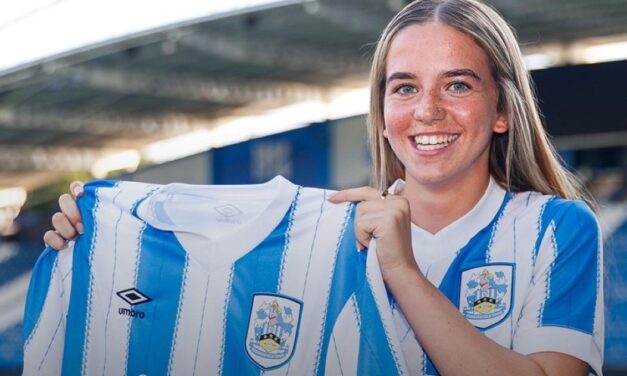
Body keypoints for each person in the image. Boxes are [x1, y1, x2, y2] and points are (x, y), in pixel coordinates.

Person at [43, 0, 603, 375]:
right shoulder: (324, 235)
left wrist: (403, 273)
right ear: (382, 115)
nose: (428, 111)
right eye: (404, 88)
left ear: (502, 109)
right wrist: (102, 244)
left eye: (457, 84)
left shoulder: (555, 229)